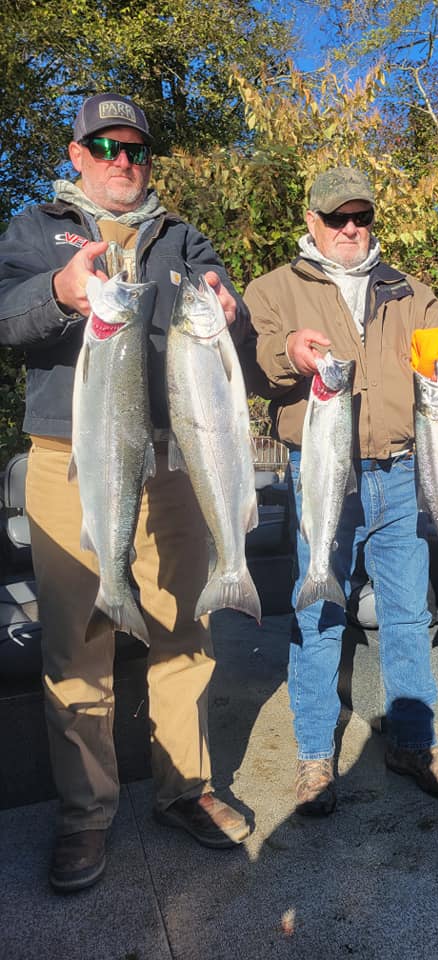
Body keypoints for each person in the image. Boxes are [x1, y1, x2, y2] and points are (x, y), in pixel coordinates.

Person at [0, 93, 255, 892]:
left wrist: (235, 316)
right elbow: (5, 318)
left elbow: (227, 335)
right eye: (105, 146)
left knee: (185, 624)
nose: (122, 161)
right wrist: (58, 294)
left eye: (136, 150)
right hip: (71, 457)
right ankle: (85, 816)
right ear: (76, 154)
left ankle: (188, 788)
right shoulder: (33, 231)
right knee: (78, 640)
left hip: (177, 460)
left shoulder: (185, 238)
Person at [244, 167, 438, 815]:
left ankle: (413, 741)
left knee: (408, 612)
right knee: (317, 612)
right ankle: (316, 756)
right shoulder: (275, 288)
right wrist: (289, 350)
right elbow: (252, 364)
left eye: (361, 217)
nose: (350, 228)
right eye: (337, 217)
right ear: (312, 221)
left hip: (401, 474)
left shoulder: (410, 292)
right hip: (321, 473)